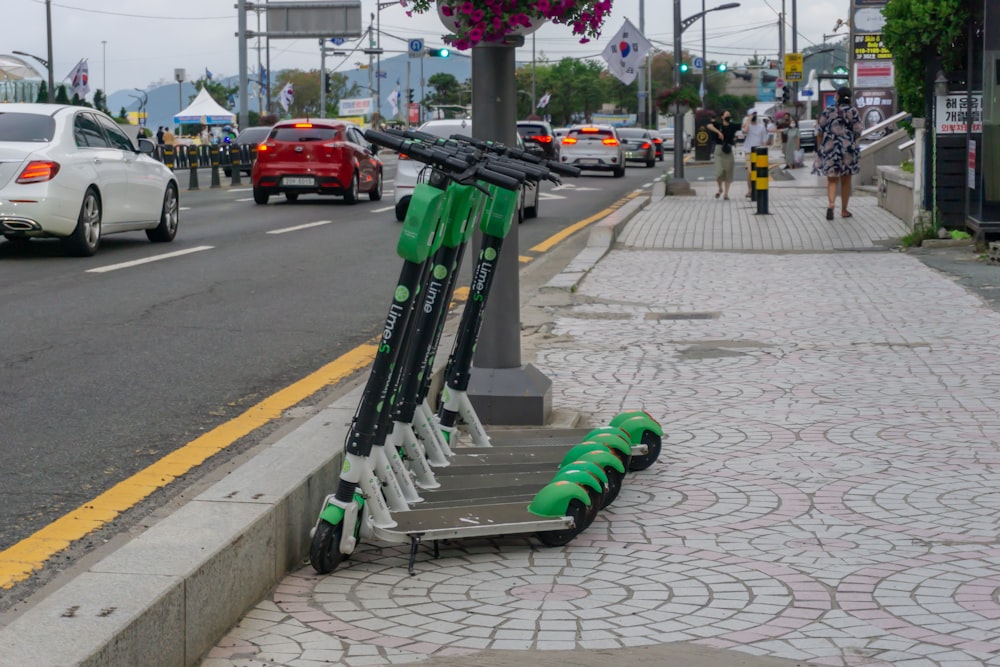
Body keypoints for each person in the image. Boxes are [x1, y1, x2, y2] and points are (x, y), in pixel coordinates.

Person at [813, 86, 864, 220]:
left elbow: (819, 131)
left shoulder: (828, 110)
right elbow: (858, 131)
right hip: (848, 149)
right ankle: (844, 210)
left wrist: (820, 148)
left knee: (832, 180)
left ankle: (831, 204)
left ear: (837, 96)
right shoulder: (853, 111)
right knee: (846, 180)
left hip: (830, 149)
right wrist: (850, 140)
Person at [706, 111, 738, 199]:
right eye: (726, 115)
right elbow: (709, 125)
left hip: (728, 150)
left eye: (729, 115)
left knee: (728, 172)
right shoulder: (718, 125)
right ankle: (720, 188)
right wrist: (718, 132)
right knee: (719, 172)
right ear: (722, 117)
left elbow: (742, 127)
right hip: (719, 150)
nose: (728, 116)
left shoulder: (732, 126)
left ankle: (726, 194)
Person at [741, 108, 769, 198]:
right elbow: (745, 131)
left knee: (758, 172)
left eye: (755, 114)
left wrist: (765, 151)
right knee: (750, 172)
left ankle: (757, 188)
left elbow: (764, 140)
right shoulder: (747, 125)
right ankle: (749, 190)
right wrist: (749, 120)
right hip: (748, 151)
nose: (754, 116)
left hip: (759, 152)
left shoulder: (761, 127)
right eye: (752, 114)